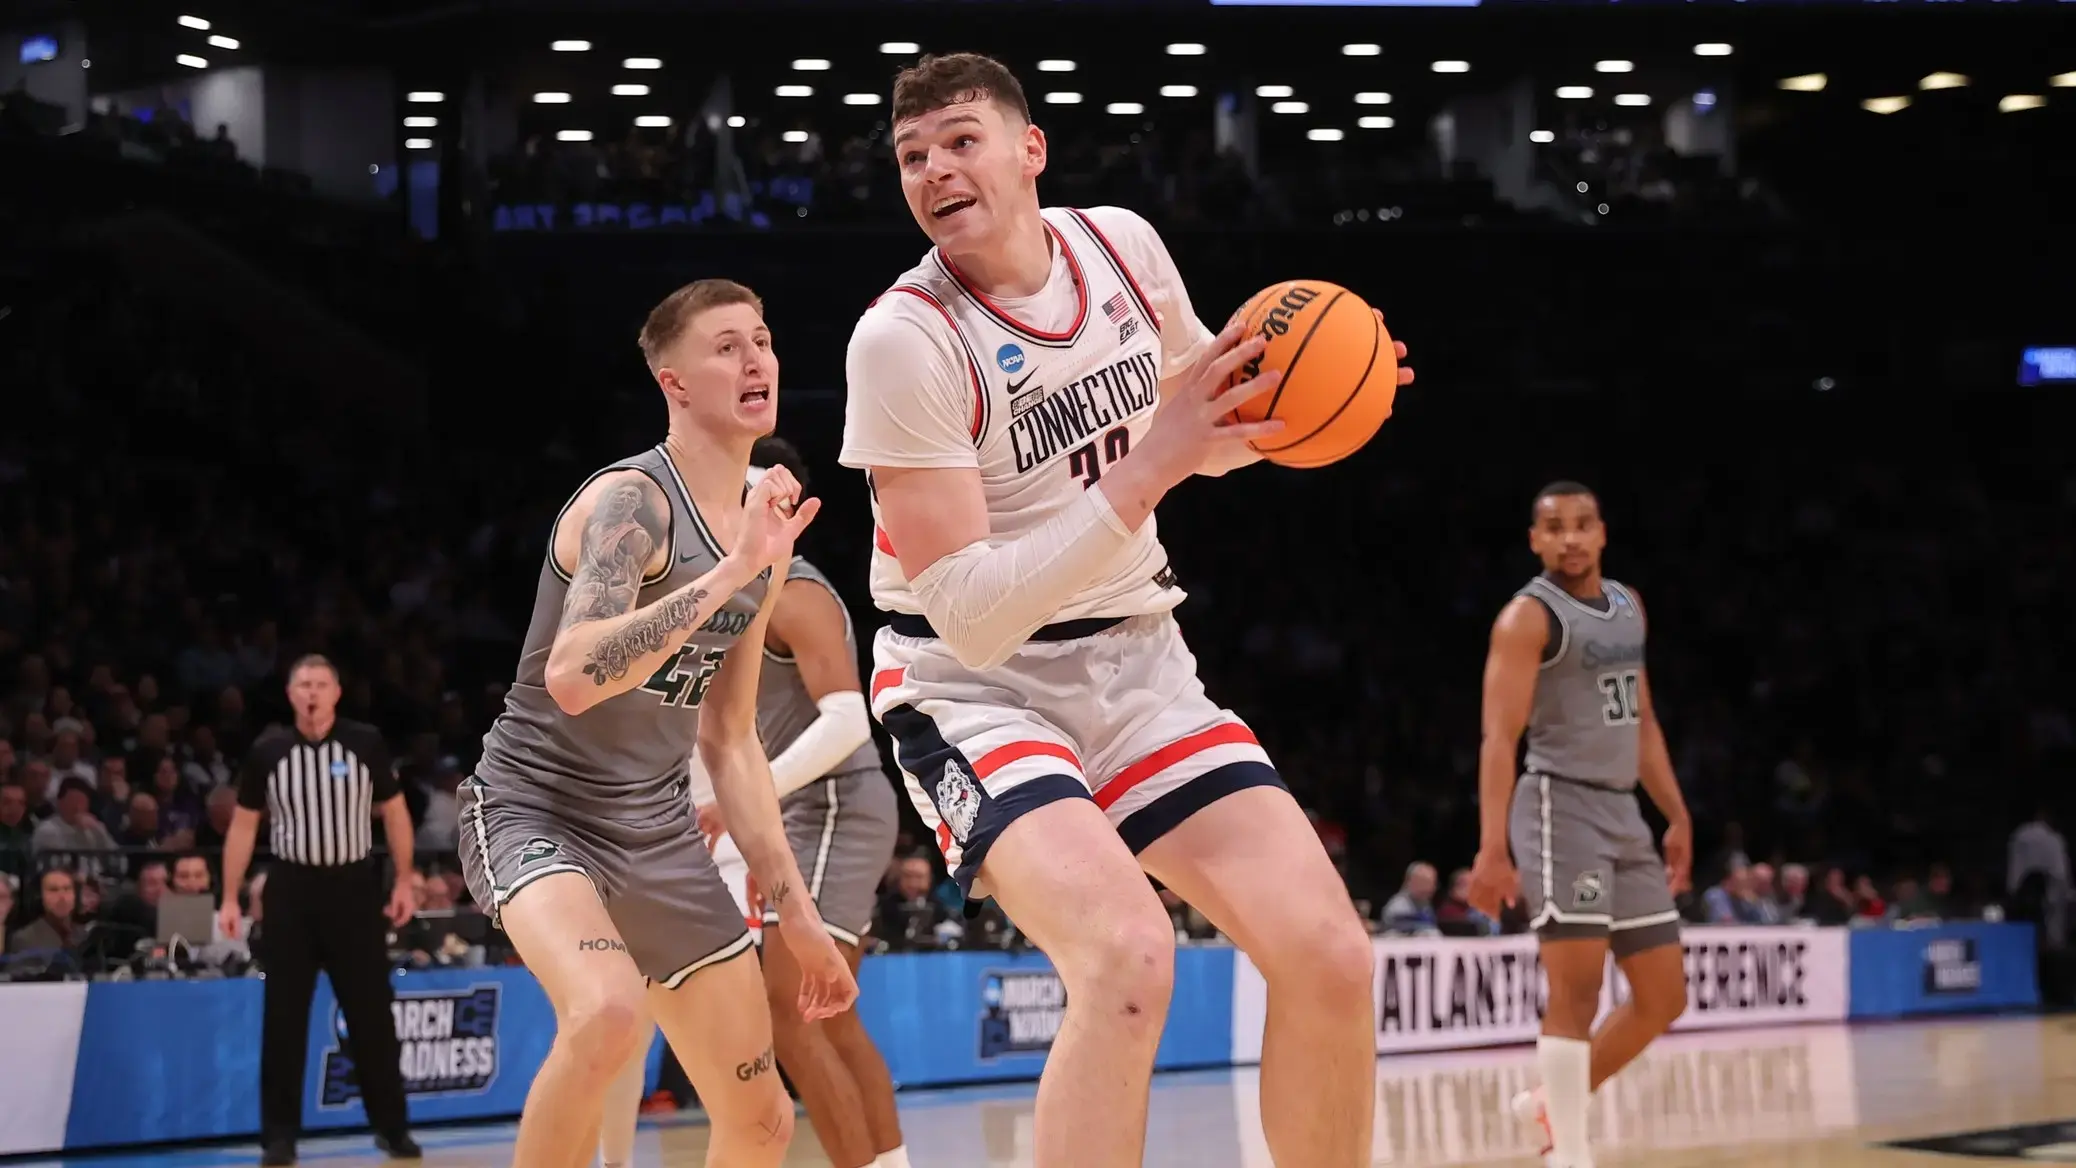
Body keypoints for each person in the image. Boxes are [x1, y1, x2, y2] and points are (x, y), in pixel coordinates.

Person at [838, 52, 1415, 1167]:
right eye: (913, 155)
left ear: (1028, 150)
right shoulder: (903, 339)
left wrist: (1313, 405)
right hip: (971, 691)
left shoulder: (1121, 246)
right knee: (1128, 959)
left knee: (1334, 957)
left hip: (1139, 660)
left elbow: (1207, 419)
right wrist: (1152, 466)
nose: (935, 169)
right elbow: (968, 614)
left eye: (960, 140)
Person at [454, 278, 857, 1168]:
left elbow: (731, 738)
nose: (755, 360)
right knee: (606, 1012)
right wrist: (732, 571)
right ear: (674, 383)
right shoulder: (632, 502)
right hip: (535, 810)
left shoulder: (759, 528)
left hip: (657, 829)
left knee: (762, 1123)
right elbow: (570, 676)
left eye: (763, 339)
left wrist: (795, 915)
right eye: (726, 346)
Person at [599, 439, 911, 1168]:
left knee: (792, 1009)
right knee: (831, 1019)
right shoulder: (741, 594)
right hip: (800, 807)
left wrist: (747, 799)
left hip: (837, 800)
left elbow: (845, 721)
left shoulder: (797, 590)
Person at [1466, 481, 1694, 1168]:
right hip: (1558, 807)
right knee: (1578, 990)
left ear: (1602, 533)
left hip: (1624, 811)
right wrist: (1491, 848)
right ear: (1536, 540)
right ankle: (1568, 1149)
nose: (1570, 538)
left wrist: (1676, 812)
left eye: (1582, 525)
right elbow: (1498, 740)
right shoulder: (1526, 618)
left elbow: (1643, 720)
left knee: (1663, 995)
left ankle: (1548, 1103)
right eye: (1554, 527)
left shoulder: (1630, 606)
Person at [217, 655, 421, 1166]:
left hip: (354, 888)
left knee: (372, 1015)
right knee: (283, 1017)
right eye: (303, 684)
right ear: (290, 695)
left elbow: (394, 813)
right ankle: (280, 1136)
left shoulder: (365, 742)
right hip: (292, 890)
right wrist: (228, 895)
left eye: (321, 683)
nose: (312, 692)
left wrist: (405, 880)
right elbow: (243, 827)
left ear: (336, 692)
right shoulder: (269, 751)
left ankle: (392, 1128)